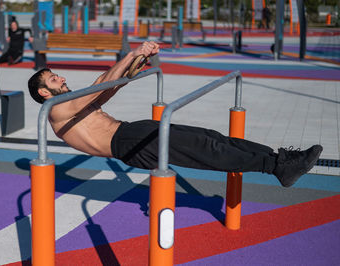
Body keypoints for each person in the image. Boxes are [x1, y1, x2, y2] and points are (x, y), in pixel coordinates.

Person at [27, 41, 323, 188]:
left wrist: (137, 60)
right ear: (43, 92)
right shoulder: (55, 111)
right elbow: (100, 87)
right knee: (206, 150)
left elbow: (107, 88)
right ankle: (274, 167)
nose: (61, 77)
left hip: (132, 131)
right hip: (128, 143)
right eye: (53, 78)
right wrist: (130, 54)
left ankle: (282, 160)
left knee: (212, 137)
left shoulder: (72, 101)